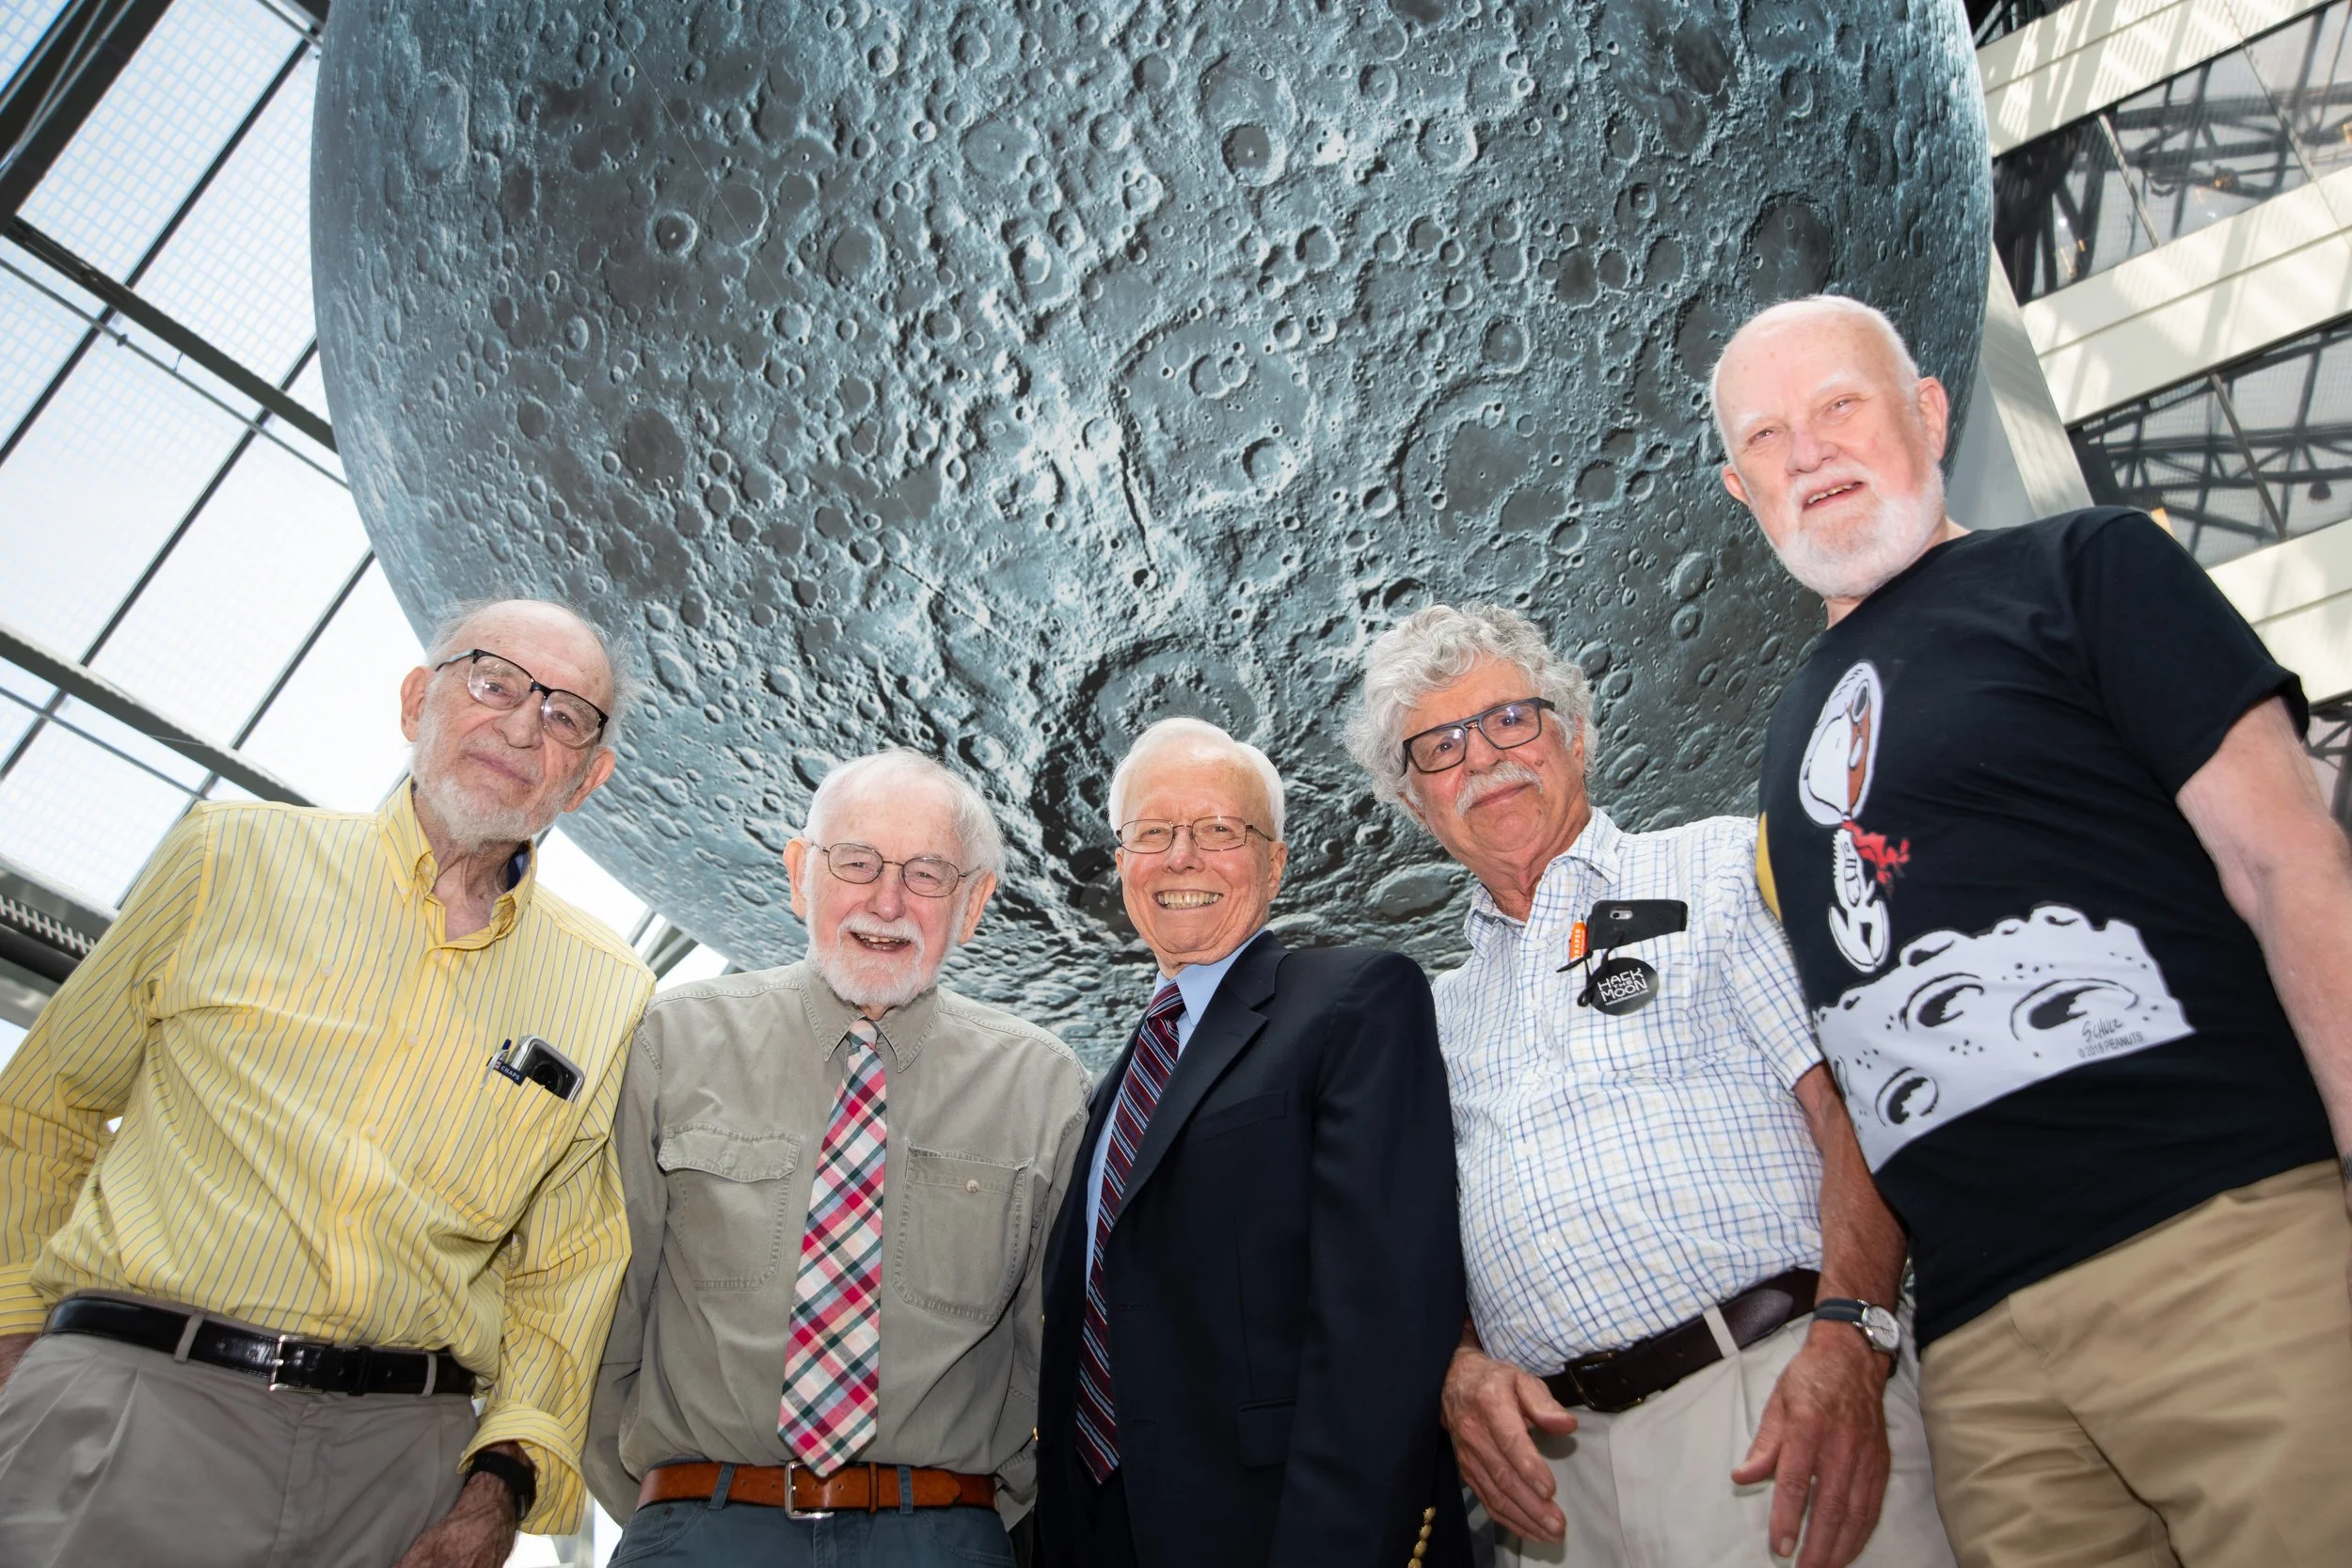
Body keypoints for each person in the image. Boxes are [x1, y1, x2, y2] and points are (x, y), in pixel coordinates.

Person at [1716, 293, 2352, 1566]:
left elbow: (2291, 865)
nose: (1812, 452)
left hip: (2221, 1243)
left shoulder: (2091, 564)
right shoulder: (1784, 747)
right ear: (1742, 490)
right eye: (1770, 436)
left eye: (1839, 403)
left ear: (1929, 409)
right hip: (1983, 1358)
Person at [0, 598, 654, 1568]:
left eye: (566, 716)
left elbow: (564, 1270)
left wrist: (498, 1487)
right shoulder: (228, 855)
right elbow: (44, 1104)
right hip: (135, 1406)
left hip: (399, 1471)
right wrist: (17, 1344)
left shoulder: (610, 988)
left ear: (589, 778)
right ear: (413, 702)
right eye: (493, 681)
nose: (523, 724)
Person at [1347, 604, 1955, 1568]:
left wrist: (1851, 1334)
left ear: (1575, 734)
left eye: (1511, 718)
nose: (1484, 757)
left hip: (1772, 1405)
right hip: (1559, 1492)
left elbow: (1851, 1106)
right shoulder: (1432, 1017)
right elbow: (1426, 1246)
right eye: (1440, 746)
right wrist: (1458, 1364)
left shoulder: (1719, 867)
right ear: (1413, 802)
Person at [585, 748, 1089, 1566]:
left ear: (972, 904)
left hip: (937, 1536)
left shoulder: (1042, 1086)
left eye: (928, 874)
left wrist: (966, 1521)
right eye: (855, 862)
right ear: (799, 873)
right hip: (702, 1527)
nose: (886, 901)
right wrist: (674, 1510)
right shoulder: (672, 1042)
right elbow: (605, 1310)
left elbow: (1051, 1351)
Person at [1033, 717, 1470, 1568]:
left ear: (1274, 863)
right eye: (1152, 833)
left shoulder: (1355, 1001)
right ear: (1122, 863)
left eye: (1219, 831)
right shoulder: (1113, 1088)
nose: (1181, 857)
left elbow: (1381, 1322)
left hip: (1287, 1533)